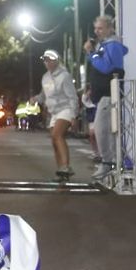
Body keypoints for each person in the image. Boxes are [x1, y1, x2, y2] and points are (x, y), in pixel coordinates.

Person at [85, 15, 128, 179]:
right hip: (103, 95)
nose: (96, 32)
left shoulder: (113, 45)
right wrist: (91, 88)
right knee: (105, 130)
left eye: (100, 28)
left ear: (110, 28)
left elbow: (106, 67)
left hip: (109, 95)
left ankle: (107, 163)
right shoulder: (105, 45)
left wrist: (91, 53)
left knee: (102, 130)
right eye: (95, 28)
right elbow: (100, 68)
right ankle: (110, 164)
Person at [34, 49, 77, 180]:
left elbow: (73, 96)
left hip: (66, 109)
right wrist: (36, 99)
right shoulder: (45, 77)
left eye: (50, 60)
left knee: (56, 135)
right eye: (45, 60)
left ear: (56, 60)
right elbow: (43, 95)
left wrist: (74, 115)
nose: (47, 62)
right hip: (54, 112)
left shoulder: (64, 76)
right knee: (54, 141)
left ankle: (66, 166)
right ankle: (61, 171)